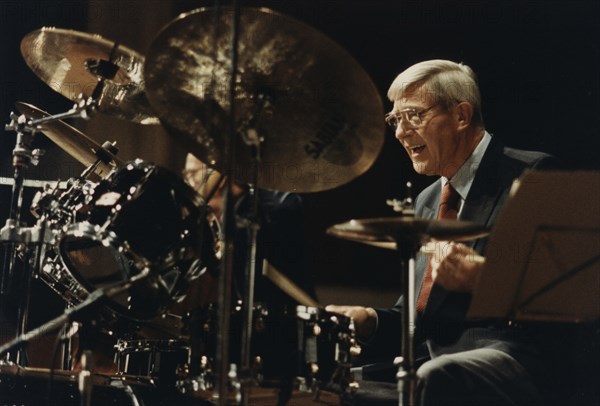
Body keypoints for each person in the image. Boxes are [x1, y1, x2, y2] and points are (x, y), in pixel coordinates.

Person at [326, 59, 562, 405]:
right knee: (332, 385)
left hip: (514, 356)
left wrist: (486, 279)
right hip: (431, 359)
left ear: (461, 116)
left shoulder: (530, 176)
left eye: (414, 115)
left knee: (433, 377)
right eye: (395, 119)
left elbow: (565, 294)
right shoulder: (428, 199)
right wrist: (370, 320)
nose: (400, 132)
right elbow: (420, 319)